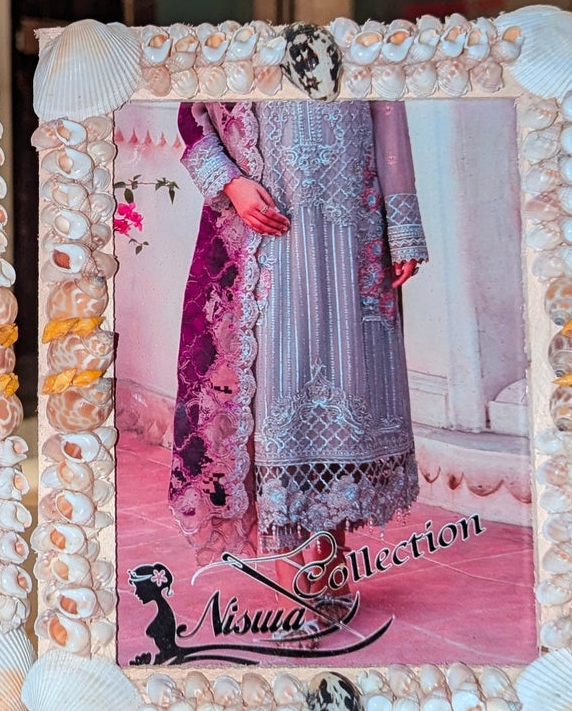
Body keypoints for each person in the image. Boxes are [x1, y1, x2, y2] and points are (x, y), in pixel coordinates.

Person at [169, 98, 427, 598]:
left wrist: (402, 224)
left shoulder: (359, 37)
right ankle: (293, 583)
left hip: (351, 225)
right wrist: (231, 183)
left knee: (343, 397)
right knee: (275, 402)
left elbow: (387, 108)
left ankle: (328, 572)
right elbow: (191, 104)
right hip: (266, 223)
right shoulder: (240, 29)